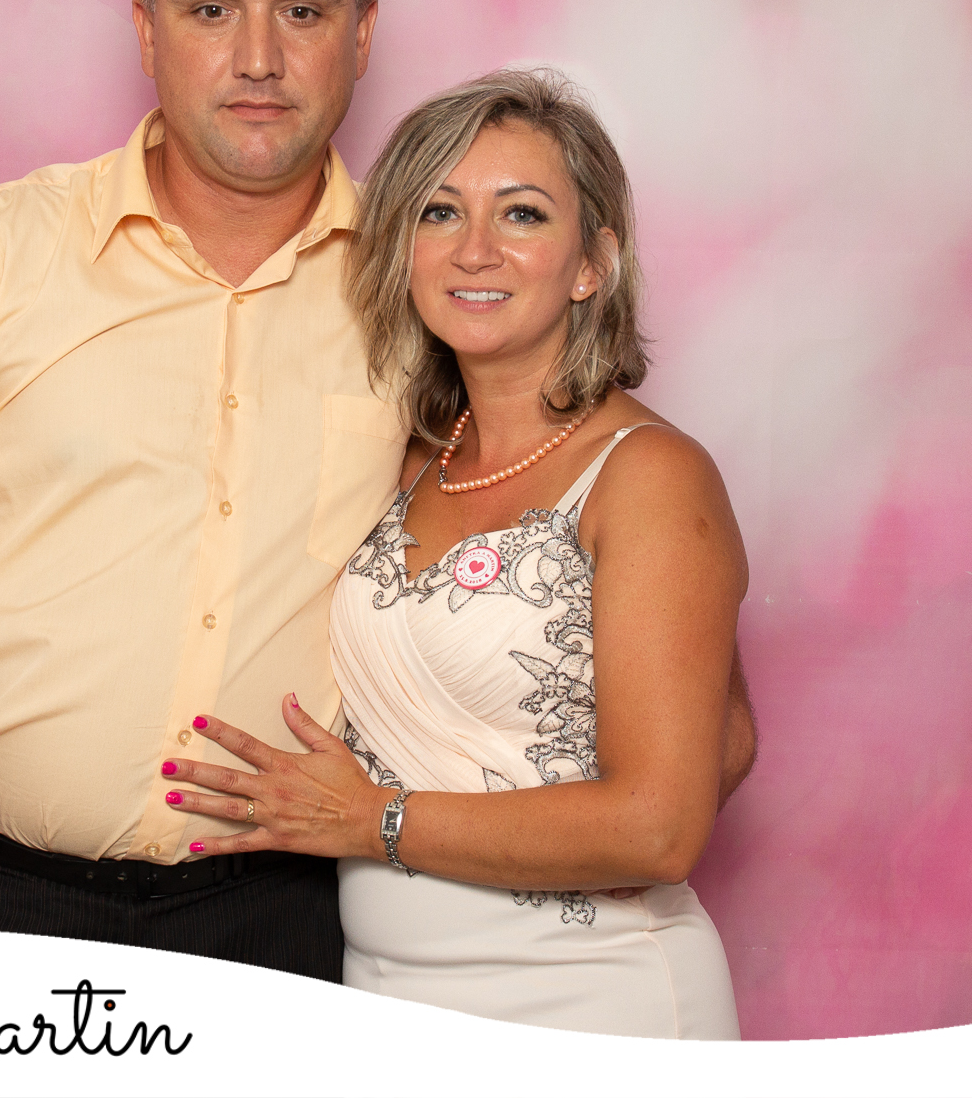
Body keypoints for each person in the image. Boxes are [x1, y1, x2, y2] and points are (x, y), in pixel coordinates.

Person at [0, 0, 754, 986]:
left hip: (275, 927)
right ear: (145, 27)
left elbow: (602, 567)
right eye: (210, 9)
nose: (258, 60)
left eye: (304, 11)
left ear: (363, 31)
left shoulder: (427, 287)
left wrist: (579, 777)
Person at [137, 69, 746, 1037]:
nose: (475, 249)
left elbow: (661, 826)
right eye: (439, 211)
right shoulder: (407, 457)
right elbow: (229, 557)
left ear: (592, 263)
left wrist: (372, 818)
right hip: (387, 989)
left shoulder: (648, 475)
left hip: (592, 996)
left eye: (522, 213)